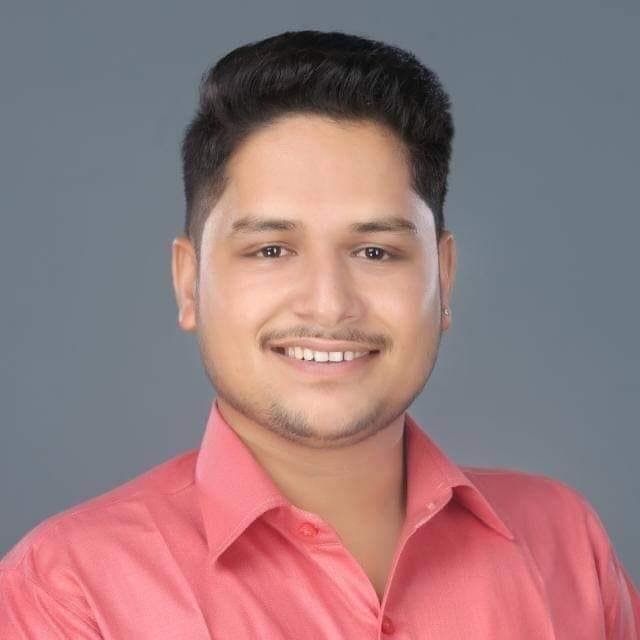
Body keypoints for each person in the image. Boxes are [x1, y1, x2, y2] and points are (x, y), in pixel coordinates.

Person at [1, 29, 638, 639]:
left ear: (443, 277)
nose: (329, 306)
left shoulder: (564, 542)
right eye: (272, 250)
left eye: (376, 252)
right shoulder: (68, 592)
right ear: (189, 283)